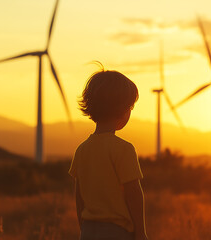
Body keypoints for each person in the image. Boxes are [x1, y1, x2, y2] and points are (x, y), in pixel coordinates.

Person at [69, 67, 148, 240]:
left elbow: (79, 195)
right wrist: (141, 232)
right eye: (130, 107)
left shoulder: (81, 150)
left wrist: (83, 228)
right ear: (122, 110)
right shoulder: (124, 149)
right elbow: (133, 192)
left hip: (88, 230)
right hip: (117, 231)